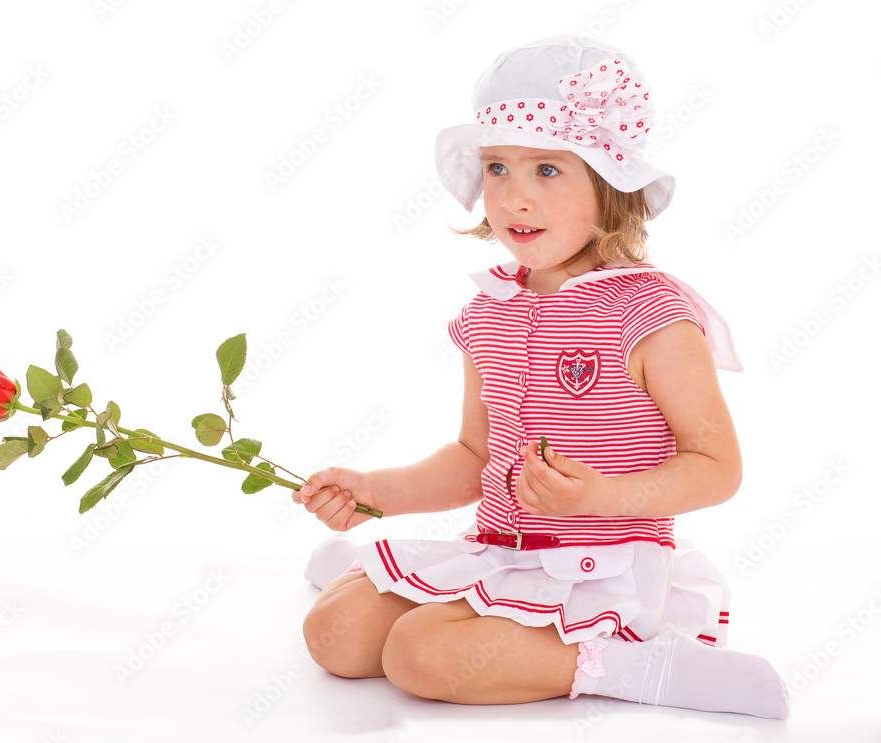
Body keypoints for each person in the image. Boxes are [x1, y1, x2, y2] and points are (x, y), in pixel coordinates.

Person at [293, 36, 789, 719]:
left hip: (601, 566)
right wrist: (380, 491)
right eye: (497, 166)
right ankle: (374, 570)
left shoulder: (651, 315)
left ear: (610, 186)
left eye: (548, 170)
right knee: (335, 635)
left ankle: (641, 665)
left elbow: (717, 466)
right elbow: (475, 457)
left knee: (421, 655)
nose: (513, 197)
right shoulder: (487, 310)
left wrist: (602, 495)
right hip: (501, 550)